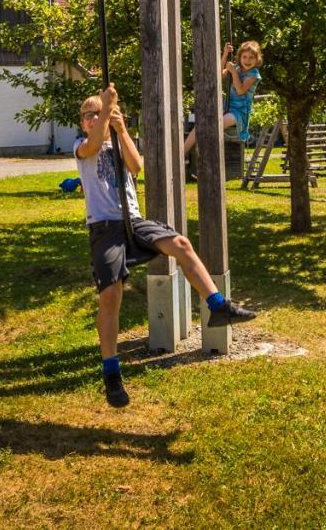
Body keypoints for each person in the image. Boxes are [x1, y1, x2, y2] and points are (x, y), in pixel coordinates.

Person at [75, 84, 256, 408]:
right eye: (88, 115)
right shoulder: (81, 146)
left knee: (182, 244)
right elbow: (91, 147)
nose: (93, 119)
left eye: (96, 113)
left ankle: (218, 306)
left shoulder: (115, 138)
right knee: (111, 294)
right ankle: (111, 371)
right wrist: (105, 111)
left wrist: (120, 127)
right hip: (104, 227)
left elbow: (136, 165)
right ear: (82, 123)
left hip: (132, 219)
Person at [183, 40, 263, 165]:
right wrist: (225, 54)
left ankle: (204, 156)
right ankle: (182, 153)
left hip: (239, 113)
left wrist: (234, 72)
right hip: (228, 107)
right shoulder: (236, 68)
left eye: (251, 57)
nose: (247, 60)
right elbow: (218, 75)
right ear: (240, 57)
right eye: (245, 57)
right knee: (201, 125)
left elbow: (241, 90)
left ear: (257, 59)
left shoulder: (254, 74)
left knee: (213, 126)